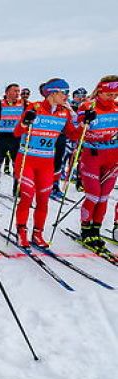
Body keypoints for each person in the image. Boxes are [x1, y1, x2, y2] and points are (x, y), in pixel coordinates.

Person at [12, 78, 87, 248]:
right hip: (27, 159)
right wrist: (25, 122)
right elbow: (17, 132)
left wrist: (84, 123)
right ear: (53, 93)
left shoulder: (65, 113)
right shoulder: (35, 108)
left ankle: (38, 233)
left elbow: (73, 135)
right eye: (64, 92)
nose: (67, 96)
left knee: (43, 200)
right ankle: (21, 231)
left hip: (46, 163)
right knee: (26, 196)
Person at [77, 76, 118, 249]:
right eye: (109, 94)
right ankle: (86, 231)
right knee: (93, 195)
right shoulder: (87, 106)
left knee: (103, 197)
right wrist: (84, 121)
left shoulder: (117, 108)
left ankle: (96, 230)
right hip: (92, 155)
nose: (113, 97)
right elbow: (76, 131)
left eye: (115, 94)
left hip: (113, 157)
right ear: (100, 91)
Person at [0, 83, 26, 197]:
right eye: (15, 91)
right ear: (7, 92)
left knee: (17, 165)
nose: (17, 93)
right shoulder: (1, 104)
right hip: (3, 137)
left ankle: (16, 188)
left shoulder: (22, 104)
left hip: (16, 137)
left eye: (18, 91)